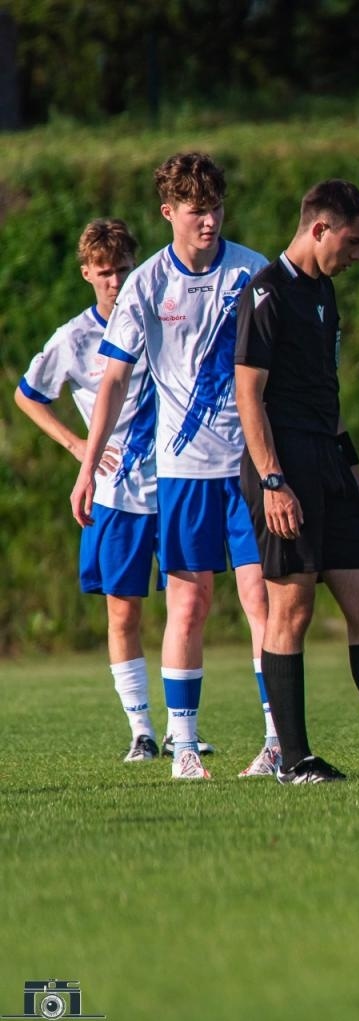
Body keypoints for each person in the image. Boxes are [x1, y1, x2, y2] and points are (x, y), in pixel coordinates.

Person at [69, 152, 276, 781]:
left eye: (215, 208)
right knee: (189, 606)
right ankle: (184, 749)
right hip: (183, 473)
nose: (209, 221)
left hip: (247, 468)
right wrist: (85, 466)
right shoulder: (147, 283)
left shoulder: (254, 273)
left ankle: (276, 742)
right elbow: (112, 382)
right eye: (195, 211)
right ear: (169, 214)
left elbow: (287, 371)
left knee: (260, 599)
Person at [234, 179, 359, 784]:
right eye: (353, 241)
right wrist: (273, 481)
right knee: (291, 610)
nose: (358, 254)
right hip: (282, 466)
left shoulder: (324, 295)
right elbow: (249, 396)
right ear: (319, 228)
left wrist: (349, 461)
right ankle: (294, 760)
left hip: (327, 463)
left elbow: (329, 389)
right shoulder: (266, 295)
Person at [15, 219, 166, 762]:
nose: (115, 282)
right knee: (123, 612)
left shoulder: (159, 316)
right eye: (104, 273)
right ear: (87, 275)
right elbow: (28, 396)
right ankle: (142, 730)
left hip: (175, 480)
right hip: (116, 492)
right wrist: (77, 446)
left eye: (123, 270)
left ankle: (183, 731)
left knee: (188, 606)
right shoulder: (73, 338)